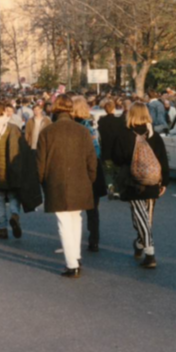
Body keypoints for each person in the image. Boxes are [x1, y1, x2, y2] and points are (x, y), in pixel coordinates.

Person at [36, 94, 97, 278]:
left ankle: (71, 263)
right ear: (71, 109)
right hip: (80, 181)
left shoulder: (47, 132)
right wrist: (90, 179)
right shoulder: (82, 131)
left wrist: (42, 182)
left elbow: (40, 164)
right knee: (76, 219)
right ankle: (76, 257)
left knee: (64, 222)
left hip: (57, 182)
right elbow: (91, 160)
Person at [112, 102, 170, 269]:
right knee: (147, 219)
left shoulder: (123, 135)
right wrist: (164, 181)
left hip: (133, 183)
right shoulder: (155, 136)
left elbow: (116, 158)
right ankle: (139, 244)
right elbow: (163, 160)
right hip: (152, 182)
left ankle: (149, 253)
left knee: (140, 217)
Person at [0, 103, 38, 240]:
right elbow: (21, 150)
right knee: (13, 197)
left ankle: (2, 229)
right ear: (4, 113)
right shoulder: (13, 129)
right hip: (12, 172)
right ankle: (15, 215)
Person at [72, 96, 108, 252]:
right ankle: (94, 238)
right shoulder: (91, 125)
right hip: (93, 167)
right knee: (93, 208)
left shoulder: (72, 126)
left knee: (74, 208)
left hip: (77, 169)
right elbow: (96, 150)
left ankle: (74, 237)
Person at [98, 99, 124, 199]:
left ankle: (110, 186)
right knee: (117, 170)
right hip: (117, 150)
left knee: (108, 171)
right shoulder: (119, 121)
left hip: (106, 149)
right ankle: (117, 190)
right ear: (114, 109)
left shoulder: (102, 121)